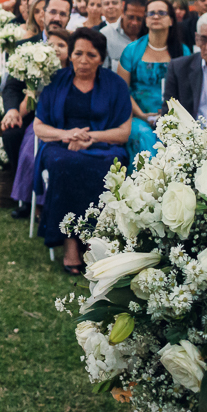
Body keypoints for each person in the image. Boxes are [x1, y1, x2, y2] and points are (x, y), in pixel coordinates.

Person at [33, 27, 132, 273]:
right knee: (64, 164)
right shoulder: (55, 81)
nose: (84, 60)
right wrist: (67, 134)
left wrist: (90, 137)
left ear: (101, 58)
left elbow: (123, 132)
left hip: (103, 146)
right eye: (78, 53)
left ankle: (94, 239)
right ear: (70, 55)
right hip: (60, 146)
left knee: (109, 166)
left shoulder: (115, 84)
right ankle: (70, 243)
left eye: (92, 55)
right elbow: (39, 126)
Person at [6, 27, 70, 218]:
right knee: (29, 152)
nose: (56, 49)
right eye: (51, 45)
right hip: (42, 123)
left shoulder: (74, 74)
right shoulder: (42, 74)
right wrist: (20, 106)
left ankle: (50, 203)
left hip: (67, 124)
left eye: (62, 45)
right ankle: (31, 202)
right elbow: (29, 103)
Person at [118, 0, 189, 160]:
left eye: (162, 13)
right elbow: (123, 90)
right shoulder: (131, 51)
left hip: (174, 116)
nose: (156, 16)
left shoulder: (183, 52)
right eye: (151, 13)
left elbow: (187, 90)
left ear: (171, 20)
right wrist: (142, 115)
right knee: (145, 137)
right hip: (138, 115)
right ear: (146, 20)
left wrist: (169, 116)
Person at [100, 0, 146, 69]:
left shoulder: (150, 37)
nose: (134, 23)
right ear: (122, 13)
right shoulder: (106, 35)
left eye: (139, 19)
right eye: (130, 17)